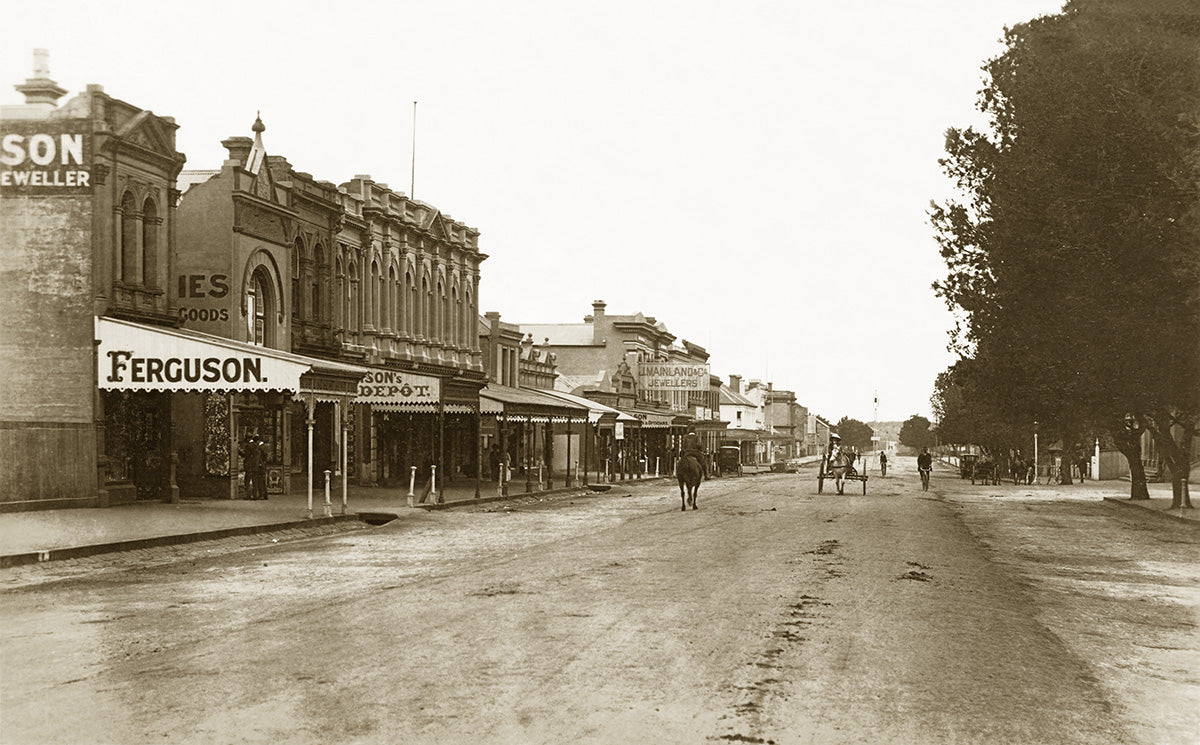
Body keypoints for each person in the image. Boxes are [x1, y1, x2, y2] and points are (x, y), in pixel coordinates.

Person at [240, 434, 267, 500]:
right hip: (258, 466)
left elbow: (246, 455)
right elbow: (264, 455)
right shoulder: (258, 445)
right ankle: (256, 495)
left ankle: (248, 495)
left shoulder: (249, 446)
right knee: (256, 481)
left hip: (249, 466)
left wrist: (239, 452)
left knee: (247, 481)